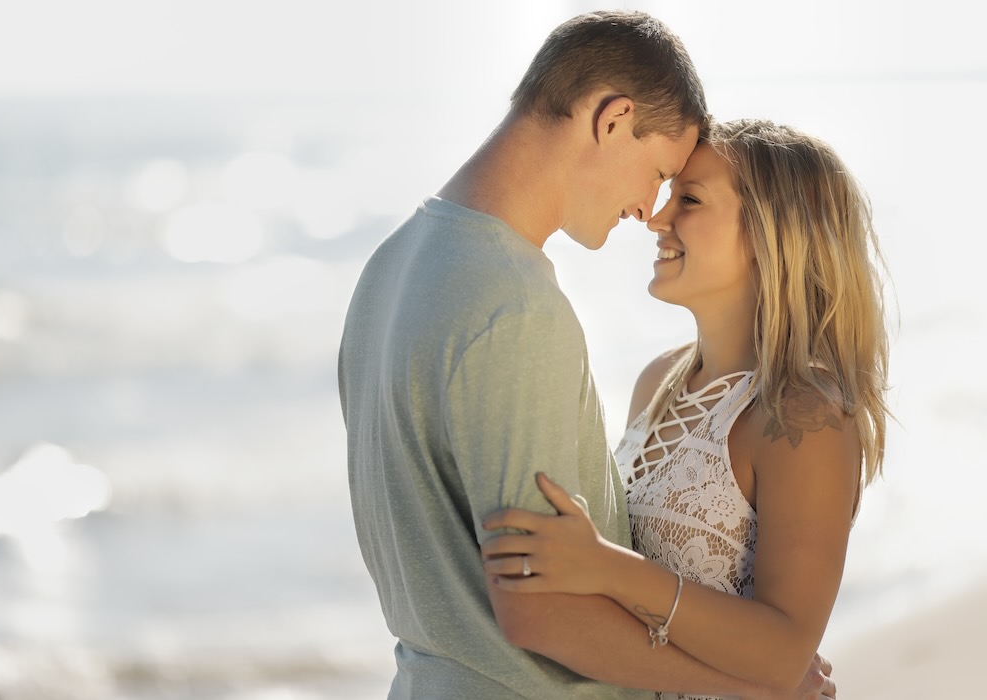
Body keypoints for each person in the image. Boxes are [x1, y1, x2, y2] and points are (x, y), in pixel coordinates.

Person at [340, 8, 834, 697]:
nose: (647, 210)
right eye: (659, 172)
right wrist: (756, 687)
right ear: (613, 119)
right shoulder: (514, 308)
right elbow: (541, 608)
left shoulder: (388, 269)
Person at [482, 118, 890, 698]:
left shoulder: (805, 416)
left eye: (690, 199)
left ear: (772, 233)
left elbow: (783, 653)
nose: (656, 218)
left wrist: (605, 567)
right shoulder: (658, 382)